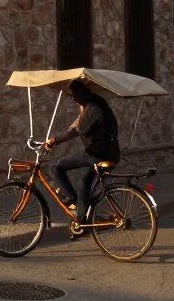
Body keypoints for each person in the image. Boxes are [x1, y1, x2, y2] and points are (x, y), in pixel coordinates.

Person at [44, 79, 121, 222]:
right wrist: (55, 139)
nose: (73, 99)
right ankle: (83, 219)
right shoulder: (95, 104)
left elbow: (76, 130)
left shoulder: (92, 108)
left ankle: (71, 200)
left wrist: (55, 141)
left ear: (78, 95)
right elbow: (76, 125)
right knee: (83, 182)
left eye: (73, 96)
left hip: (99, 154)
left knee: (56, 167)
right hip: (109, 152)